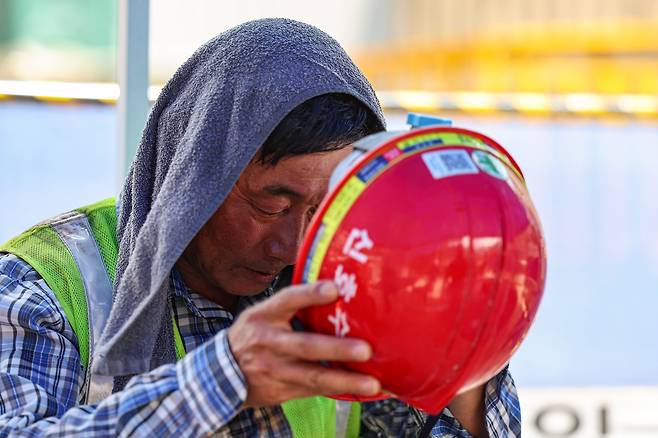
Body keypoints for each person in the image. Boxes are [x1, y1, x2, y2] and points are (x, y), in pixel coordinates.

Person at [0, 19, 520, 437]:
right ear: (192, 177)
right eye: (272, 204)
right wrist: (222, 378)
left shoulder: (354, 286)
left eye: (325, 211)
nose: (293, 244)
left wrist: (463, 373)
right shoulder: (41, 290)